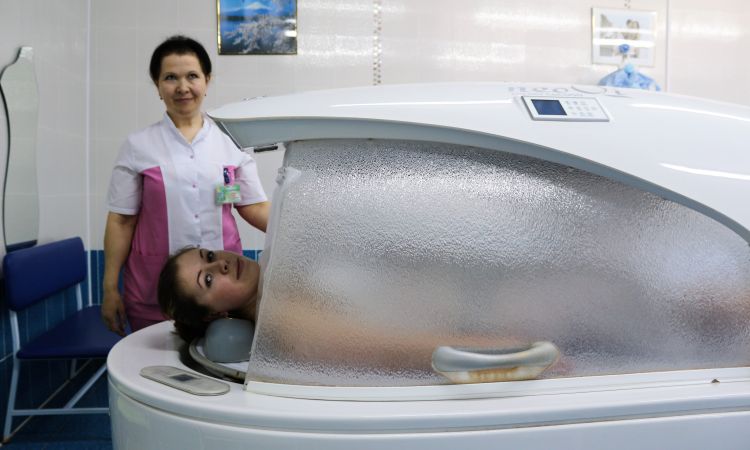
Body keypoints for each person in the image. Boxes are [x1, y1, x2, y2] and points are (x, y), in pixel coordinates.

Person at [102, 35, 269, 335]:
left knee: (222, 356)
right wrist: (109, 288)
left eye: (192, 76)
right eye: (170, 78)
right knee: (155, 361)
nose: (182, 87)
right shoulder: (138, 146)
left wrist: (303, 231)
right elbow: (121, 221)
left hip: (224, 293)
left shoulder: (230, 143)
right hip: (153, 290)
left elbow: (254, 207)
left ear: (207, 80)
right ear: (157, 86)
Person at [158, 247, 261, 343]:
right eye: (208, 279)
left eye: (210, 256)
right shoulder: (269, 326)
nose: (222, 263)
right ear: (213, 315)